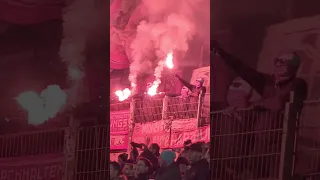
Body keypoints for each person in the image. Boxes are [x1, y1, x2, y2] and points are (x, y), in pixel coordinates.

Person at [212, 43, 308, 178]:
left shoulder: (298, 84)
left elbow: (279, 103)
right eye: (278, 60)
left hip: (280, 147)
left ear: (294, 66)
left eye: (285, 61)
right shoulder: (268, 83)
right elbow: (244, 70)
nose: (279, 63)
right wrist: (221, 53)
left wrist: (255, 106)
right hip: (258, 147)